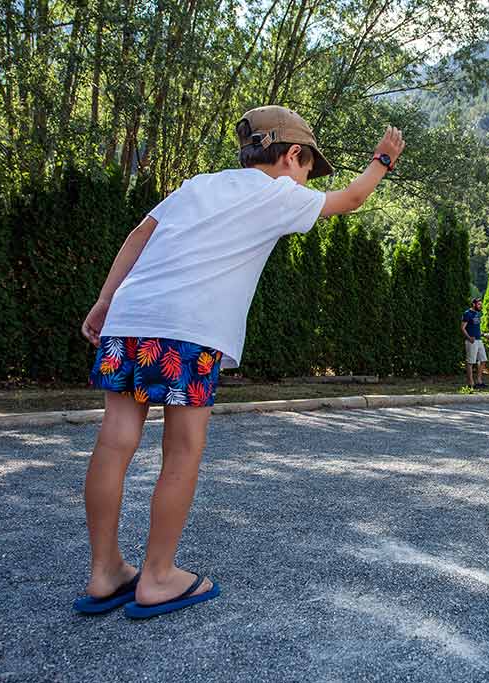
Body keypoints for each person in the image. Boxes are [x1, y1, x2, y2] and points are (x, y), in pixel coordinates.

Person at [74, 106, 405, 619]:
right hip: (189, 331)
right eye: (308, 169)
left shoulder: (198, 185)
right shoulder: (279, 194)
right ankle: (158, 577)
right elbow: (354, 198)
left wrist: (104, 300)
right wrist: (383, 158)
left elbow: (139, 235)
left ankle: (104, 574)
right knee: (182, 449)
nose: (307, 181)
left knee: (115, 440)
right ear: (292, 154)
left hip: (131, 316)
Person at [461, 297, 489, 389]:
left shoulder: (477, 314)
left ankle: (479, 381)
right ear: (474, 304)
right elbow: (462, 328)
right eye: (479, 304)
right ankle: (471, 383)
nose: (480, 306)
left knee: (483, 360)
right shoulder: (467, 314)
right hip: (471, 341)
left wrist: (484, 334)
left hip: (479, 340)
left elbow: (476, 330)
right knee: (470, 362)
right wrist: (469, 338)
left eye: (481, 304)